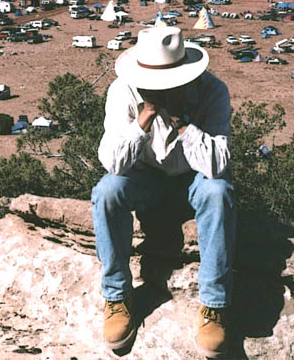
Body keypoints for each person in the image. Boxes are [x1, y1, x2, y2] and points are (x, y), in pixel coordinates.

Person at [91, 26, 235, 357]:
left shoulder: (213, 91)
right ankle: (116, 296)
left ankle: (214, 305)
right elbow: (113, 163)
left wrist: (183, 124)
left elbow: (217, 164)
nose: (161, 91)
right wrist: (144, 119)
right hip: (147, 180)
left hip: (194, 178)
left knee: (218, 192)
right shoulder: (122, 92)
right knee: (107, 191)